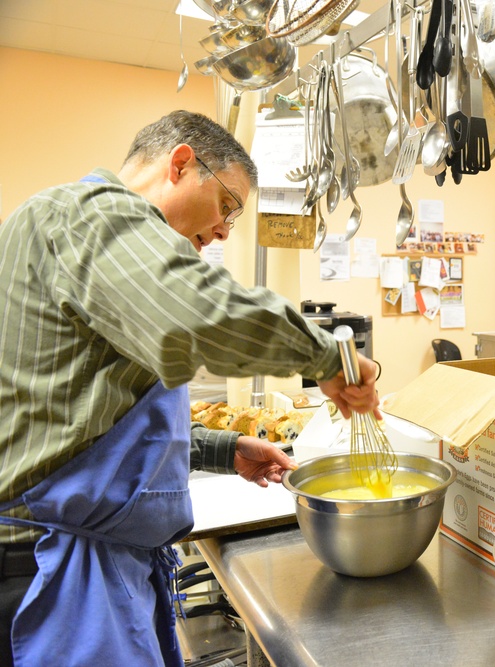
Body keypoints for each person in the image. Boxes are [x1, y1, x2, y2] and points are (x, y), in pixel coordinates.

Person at [0, 110, 381, 666]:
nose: (227, 229)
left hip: (81, 556)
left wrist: (224, 449)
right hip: (50, 572)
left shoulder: (71, 241)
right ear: (181, 164)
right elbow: (200, 314)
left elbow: (84, 419)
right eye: (227, 204)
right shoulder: (89, 217)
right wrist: (329, 359)